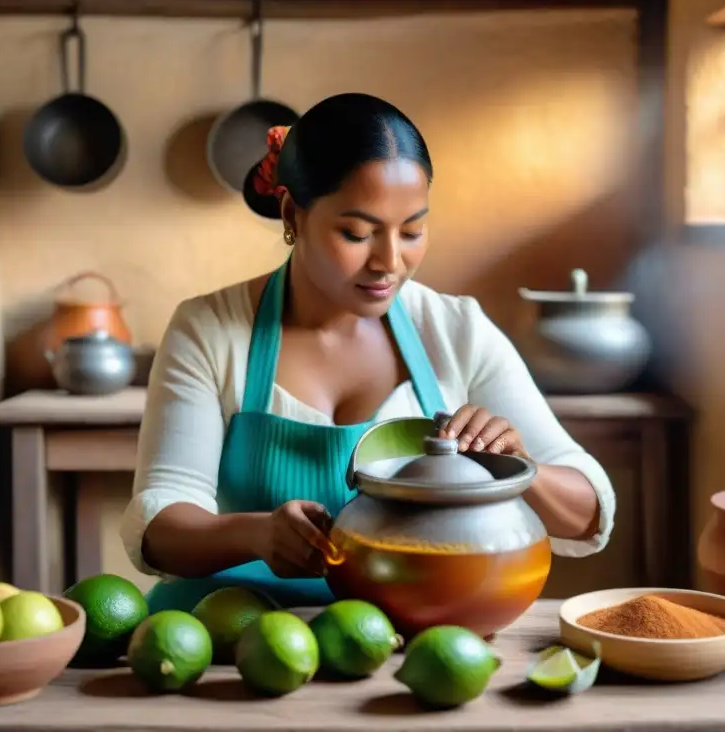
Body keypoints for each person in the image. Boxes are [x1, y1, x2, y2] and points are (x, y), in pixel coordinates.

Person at [120, 92, 616, 614]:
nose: (389, 262)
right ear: (292, 212)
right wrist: (258, 535)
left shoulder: (455, 330)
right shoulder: (211, 329)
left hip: (398, 643)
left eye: (413, 231)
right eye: (357, 233)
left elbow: (586, 515)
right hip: (226, 640)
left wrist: (517, 465)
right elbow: (159, 527)